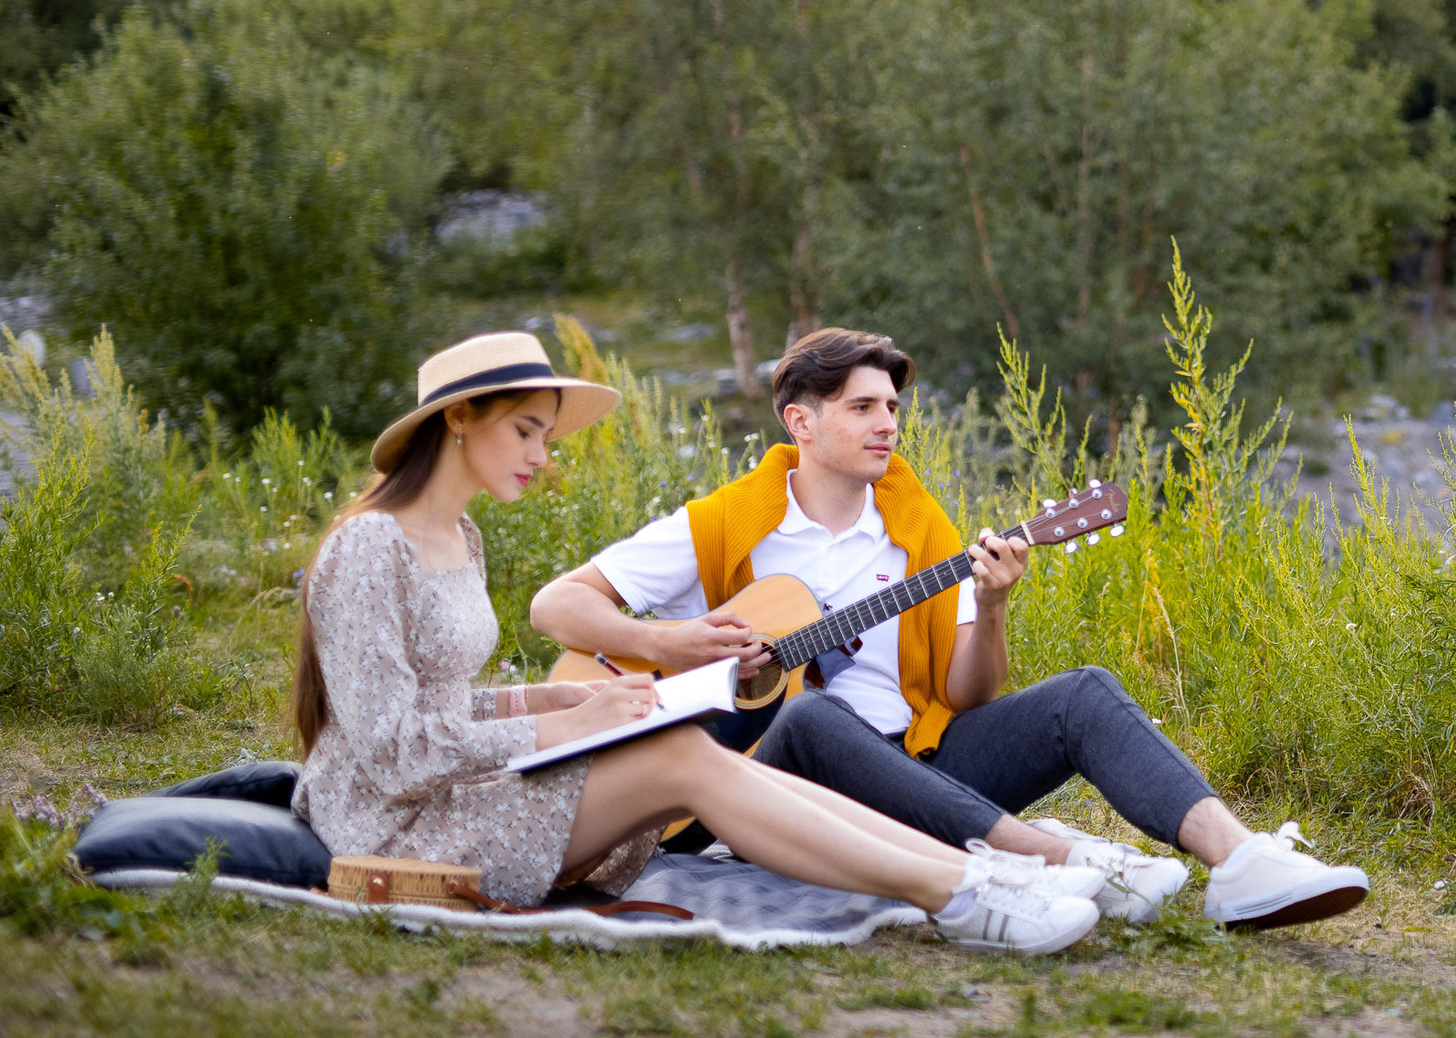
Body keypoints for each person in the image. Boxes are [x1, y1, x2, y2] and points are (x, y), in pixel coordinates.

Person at [290, 330, 1104, 955]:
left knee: (684, 745)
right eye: (528, 432)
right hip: (400, 825)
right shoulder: (371, 546)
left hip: (469, 788)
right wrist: (560, 726)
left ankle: (986, 872)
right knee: (680, 757)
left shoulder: (457, 535)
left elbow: (439, 699)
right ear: (459, 418)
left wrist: (556, 696)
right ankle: (961, 895)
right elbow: (394, 752)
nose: (543, 455)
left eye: (546, 436)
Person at [530, 327, 1369, 931]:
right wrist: (675, 644)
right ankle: (1058, 859)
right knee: (815, 714)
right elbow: (556, 607)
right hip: (780, 789)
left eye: (891, 406)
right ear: (801, 422)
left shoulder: (920, 534)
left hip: (919, 765)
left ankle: (1241, 860)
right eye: (861, 406)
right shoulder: (720, 523)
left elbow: (969, 693)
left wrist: (995, 603)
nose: (886, 423)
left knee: (1084, 693)